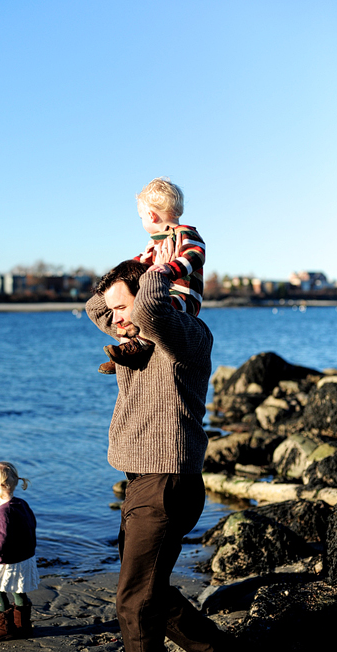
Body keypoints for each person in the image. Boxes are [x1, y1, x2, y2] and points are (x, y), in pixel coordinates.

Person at [87, 259, 235, 651]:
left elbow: (151, 306)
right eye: (114, 310)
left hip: (166, 484)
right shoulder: (139, 341)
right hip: (143, 483)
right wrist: (138, 264)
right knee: (149, 592)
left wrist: (165, 266)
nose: (114, 319)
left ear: (153, 296)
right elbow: (95, 307)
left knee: (133, 603)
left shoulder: (186, 337)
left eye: (123, 307)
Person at [98, 177, 206, 374]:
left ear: (151, 215)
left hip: (184, 298)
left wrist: (169, 269)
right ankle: (126, 350)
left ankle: (136, 347)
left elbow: (196, 255)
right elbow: (143, 270)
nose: (142, 222)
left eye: (141, 218)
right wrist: (141, 263)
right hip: (165, 294)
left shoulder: (185, 233)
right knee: (137, 309)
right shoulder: (157, 242)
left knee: (149, 310)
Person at [0, 462, 39, 642]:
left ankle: (5, 627)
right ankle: (23, 626)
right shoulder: (21, 503)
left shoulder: (0, 513)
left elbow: (0, 540)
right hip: (24, 557)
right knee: (18, 589)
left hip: (7, 560)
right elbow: (32, 525)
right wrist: (30, 548)